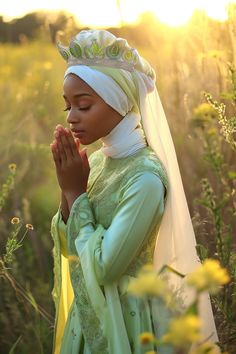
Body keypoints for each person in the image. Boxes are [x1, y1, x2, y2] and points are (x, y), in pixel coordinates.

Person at [50, 29, 218, 354]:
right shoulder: (97, 162)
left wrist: (74, 193)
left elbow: (105, 267)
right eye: (67, 106)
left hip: (127, 325)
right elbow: (68, 246)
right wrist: (67, 190)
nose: (71, 117)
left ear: (120, 102)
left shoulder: (145, 180)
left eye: (83, 105)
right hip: (91, 319)